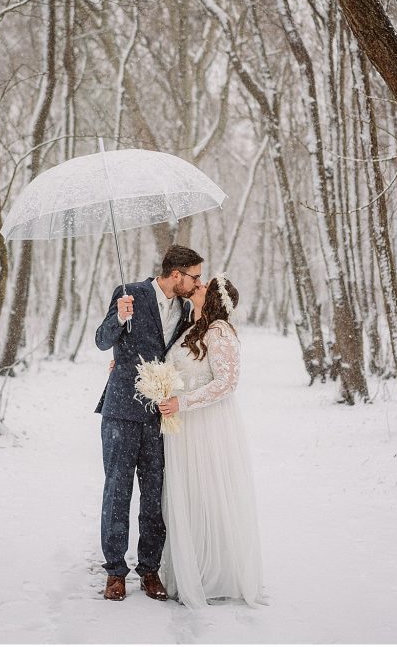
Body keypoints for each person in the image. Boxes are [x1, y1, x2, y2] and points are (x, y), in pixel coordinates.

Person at [94, 244, 204, 601]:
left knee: (155, 496)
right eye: (195, 276)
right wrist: (119, 318)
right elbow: (101, 341)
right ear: (176, 275)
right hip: (121, 412)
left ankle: (150, 569)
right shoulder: (129, 294)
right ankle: (114, 572)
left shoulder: (186, 308)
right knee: (118, 492)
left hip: (160, 416)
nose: (197, 282)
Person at [156, 274, 264, 608]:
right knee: (186, 494)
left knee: (207, 492)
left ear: (215, 298)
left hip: (206, 426)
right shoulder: (192, 328)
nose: (196, 287)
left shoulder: (220, 333)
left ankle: (212, 572)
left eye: (203, 286)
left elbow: (226, 383)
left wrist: (183, 402)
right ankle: (188, 567)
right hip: (182, 428)